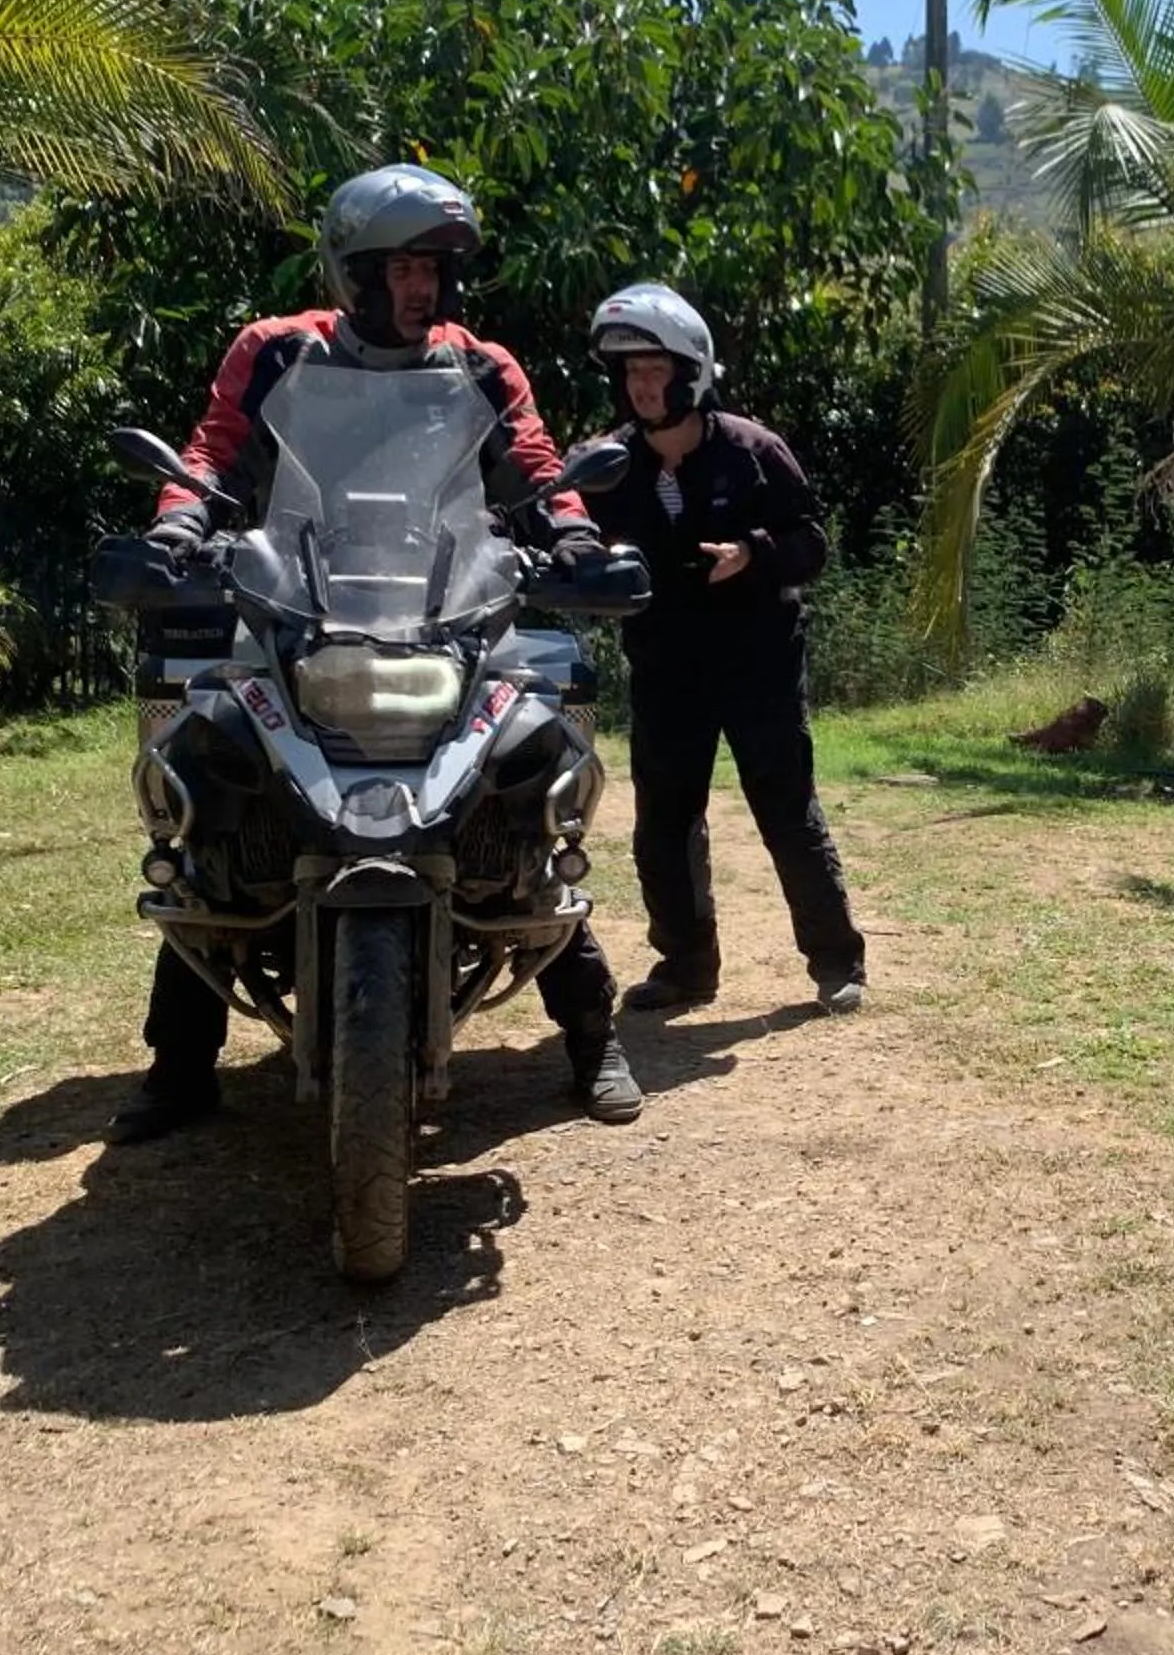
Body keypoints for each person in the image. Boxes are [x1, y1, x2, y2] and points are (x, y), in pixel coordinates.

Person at [108, 164, 644, 1142]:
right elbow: (215, 453)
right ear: (352, 273)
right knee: (216, 796)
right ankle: (180, 1063)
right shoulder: (276, 351)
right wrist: (179, 526)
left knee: (523, 799)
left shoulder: (480, 364)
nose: (420, 287)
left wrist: (572, 535)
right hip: (295, 607)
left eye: (433, 269)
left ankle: (593, 1036)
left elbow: (531, 464)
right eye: (400, 268)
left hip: (448, 610)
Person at [567, 281, 868, 1016]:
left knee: (785, 809)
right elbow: (560, 526)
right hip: (665, 664)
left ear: (691, 372)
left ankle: (837, 961)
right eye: (630, 373)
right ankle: (685, 966)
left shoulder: (753, 451)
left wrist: (753, 552)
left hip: (757, 659)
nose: (642, 387)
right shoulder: (605, 464)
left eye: (655, 370)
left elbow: (811, 544)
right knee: (663, 823)